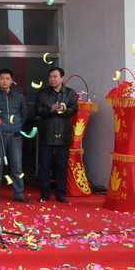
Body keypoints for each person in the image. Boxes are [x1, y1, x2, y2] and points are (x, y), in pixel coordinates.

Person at [0, 69, 29, 203]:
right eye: (2, 78)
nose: (4, 81)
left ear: (11, 81)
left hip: (15, 136)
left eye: (7, 78)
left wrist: (17, 126)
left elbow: (24, 114)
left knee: (17, 166)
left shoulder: (19, 96)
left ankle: (19, 194)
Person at [36, 67, 78, 203]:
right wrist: (51, 109)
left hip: (63, 134)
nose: (52, 79)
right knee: (44, 165)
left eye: (55, 76)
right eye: (50, 77)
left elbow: (74, 109)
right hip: (46, 134)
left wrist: (64, 109)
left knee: (61, 166)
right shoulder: (43, 93)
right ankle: (44, 193)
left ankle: (61, 194)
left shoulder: (70, 93)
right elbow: (37, 110)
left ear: (62, 78)